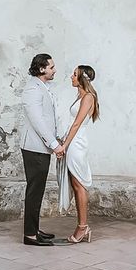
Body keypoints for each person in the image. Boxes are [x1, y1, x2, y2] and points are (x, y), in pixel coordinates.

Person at [20, 53, 66, 246]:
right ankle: (30, 235)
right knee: (34, 191)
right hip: (35, 148)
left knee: (38, 191)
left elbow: (47, 118)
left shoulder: (42, 87)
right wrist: (55, 145)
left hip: (41, 147)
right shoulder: (32, 89)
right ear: (41, 69)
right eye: (51, 67)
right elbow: (38, 121)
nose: (54, 70)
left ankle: (35, 229)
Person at [56, 65, 100, 243]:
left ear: (81, 77)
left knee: (79, 184)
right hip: (72, 141)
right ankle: (82, 226)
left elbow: (76, 124)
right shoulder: (80, 95)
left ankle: (83, 227)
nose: (71, 76)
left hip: (77, 144)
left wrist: (64, 146)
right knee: (75, 185)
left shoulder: (88, 97)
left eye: (74, 74)